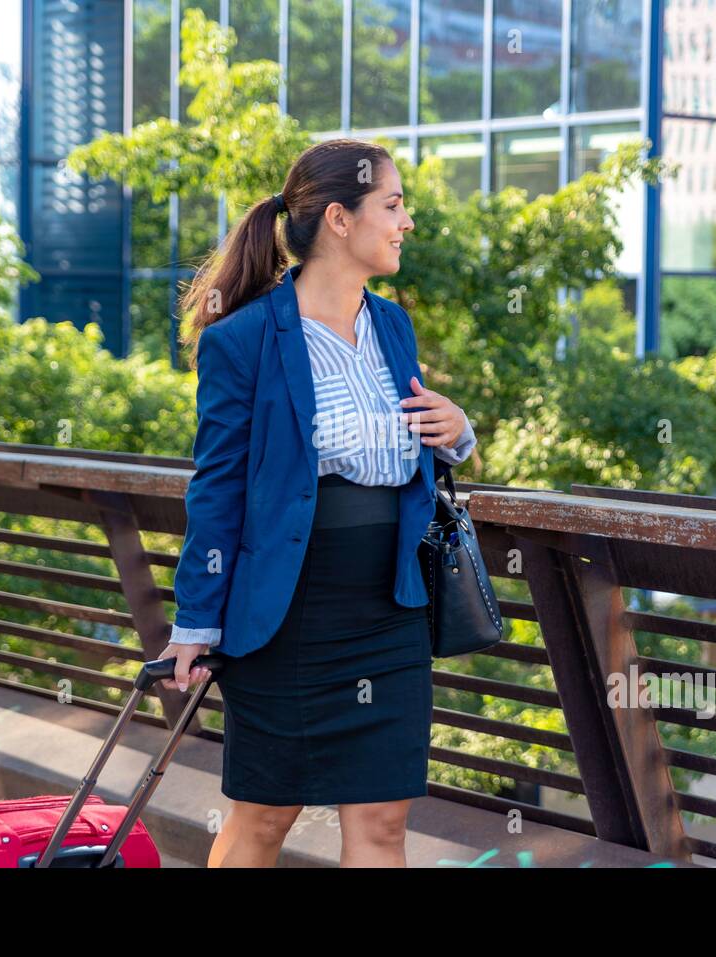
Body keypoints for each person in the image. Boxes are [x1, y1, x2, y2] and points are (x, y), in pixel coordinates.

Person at [161, 139, 477, 867]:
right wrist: (196, 620)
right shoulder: (244, 339)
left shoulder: (393, 325)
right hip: (287, 616)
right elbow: (217, 486)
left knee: (382, 825)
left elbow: (417, 447)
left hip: (391, 609)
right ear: (339, 217)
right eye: (392, 206)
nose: (407, 222)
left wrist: (458, 432)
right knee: (264, 818)